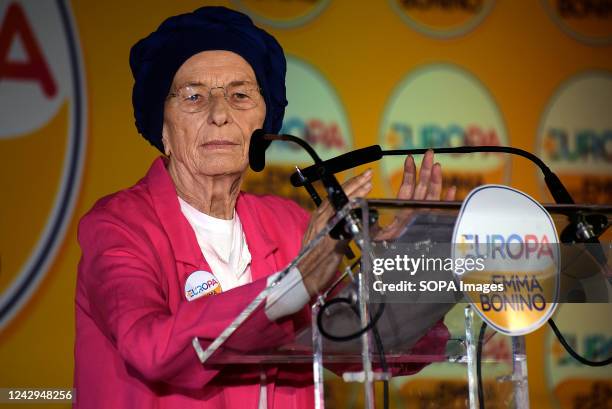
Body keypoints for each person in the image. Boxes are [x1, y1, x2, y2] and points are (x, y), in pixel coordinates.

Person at [74, 6, 455, 409]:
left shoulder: (286, 223)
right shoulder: (118, 224)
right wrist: (292, 287)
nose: (220, 114)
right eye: (194, 96)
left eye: (240, 95)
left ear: (264, 122)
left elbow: (361, 338)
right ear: (162, 128)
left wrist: (404, 269)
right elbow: (149, 344)